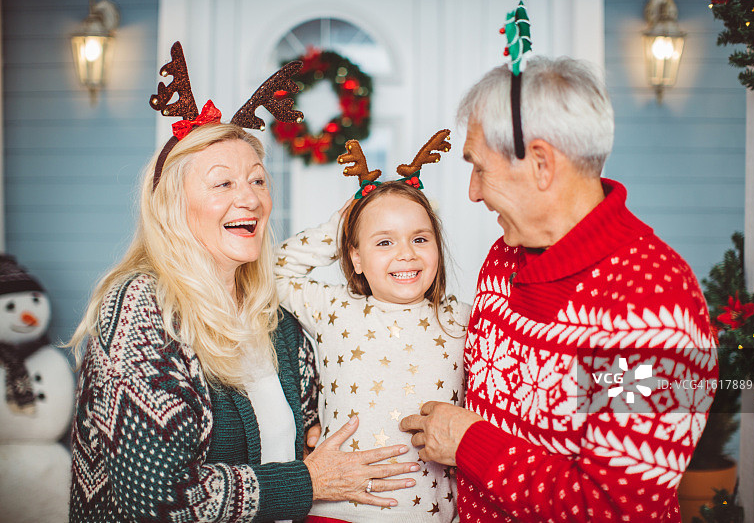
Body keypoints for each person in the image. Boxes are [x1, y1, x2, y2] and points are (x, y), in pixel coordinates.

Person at [400, 56, 718, 522]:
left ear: (542, 164)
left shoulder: (655, 303)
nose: (472, 191)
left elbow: (615, 507)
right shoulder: (505, 256)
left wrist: (470, 443)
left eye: (480, 168)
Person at [68, 122, 418, 522]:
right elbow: (159, 497)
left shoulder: (274, 319)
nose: (250, 198)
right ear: (171, 205)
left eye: (257, 180)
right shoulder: (143, 308)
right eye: (223, 184)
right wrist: (307, 480)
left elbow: (309, 433)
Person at [274, 135, 470, 522]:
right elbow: (273, 272)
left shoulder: (463, 319)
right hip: (338, 511)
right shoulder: (335, 308)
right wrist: (338, 229)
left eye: (419, 239)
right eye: (384, 242)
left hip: (433, 516)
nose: (406, 254)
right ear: (356, 257)